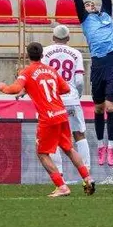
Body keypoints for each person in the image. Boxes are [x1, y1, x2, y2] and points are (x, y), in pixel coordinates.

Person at [0, 43, 95, 197]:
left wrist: (3, 87)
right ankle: (87, 178)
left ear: (28, 56)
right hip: (62, 113)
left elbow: (14, 89)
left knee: (42, 153)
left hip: (48, 118)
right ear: (42, 55)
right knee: (69, 149)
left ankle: (61, 186)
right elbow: (66, 89)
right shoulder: (51, 70)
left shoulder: (28, 71)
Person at [66, 0, 113, 167]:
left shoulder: (106, 14)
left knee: (110, 108)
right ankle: (100, 146)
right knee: (98, 109)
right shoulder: (84, 19)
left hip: (112, 63)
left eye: (92, 4)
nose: (90, 5)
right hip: (97, 65)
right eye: (87, 5)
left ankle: (111, 147)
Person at [43, 25, 92, 171]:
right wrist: (78, 94)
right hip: (72, 99)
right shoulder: (76, 53)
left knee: (54, 136)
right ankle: (86, 170)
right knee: (79, 134)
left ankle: (59, 172)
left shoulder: (46, 52)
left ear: (53, 38)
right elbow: (79, 81)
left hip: (53, 100)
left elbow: (44, 76)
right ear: (68, 38)